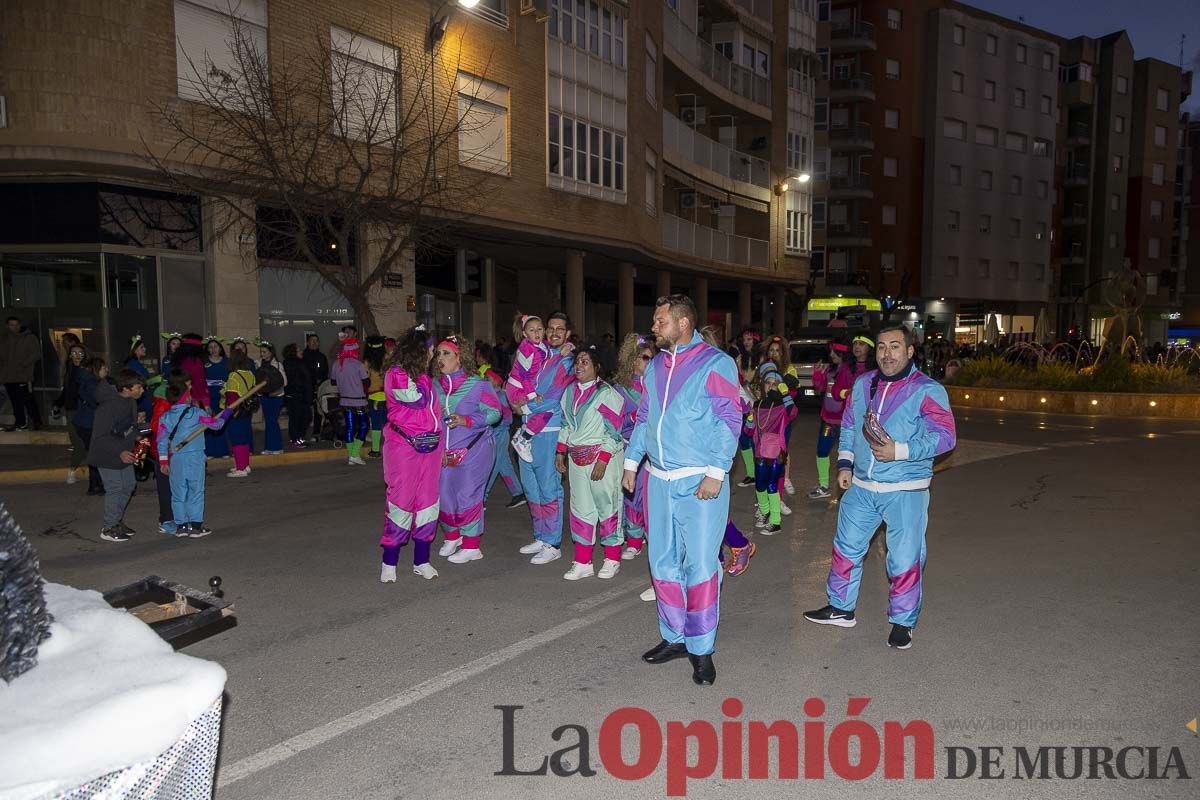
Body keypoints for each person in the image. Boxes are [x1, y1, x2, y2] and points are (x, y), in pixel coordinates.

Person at [803, 325, 957, 650]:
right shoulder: (862, 384)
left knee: (903, 558)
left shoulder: (928, 390)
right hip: (861, 485)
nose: (887, 354)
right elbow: (847, 424)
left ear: (910, 351)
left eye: (895, 347)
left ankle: (902, 622)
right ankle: (841, 608)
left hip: (906, 488)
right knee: (845, 549)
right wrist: (844, 464)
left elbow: (945, 436)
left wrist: (899, 450)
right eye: (882, 347)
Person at [623, 295, 741, 686]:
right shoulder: (656, 364)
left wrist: (716, 472)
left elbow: (729, 419)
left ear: (684, 323)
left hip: (699, 480)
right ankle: (675, 637)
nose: (654, 328)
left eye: (660, 322)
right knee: (662, 563)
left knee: (701, 567)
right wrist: (630, 462)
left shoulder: (716, 363)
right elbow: (644, 417)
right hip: (658, 480)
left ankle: (701, 648)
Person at [555, 345, 627, 581]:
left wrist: (603, 460)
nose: (579, 366)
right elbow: (566, 425)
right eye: (577, 362)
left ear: (597, 367)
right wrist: (560, 452)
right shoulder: (568, 393)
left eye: (585, 362)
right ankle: (583, 560)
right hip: (577, 459)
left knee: (608, 507)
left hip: (601, 458)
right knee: (581, 509)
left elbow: (614, 431)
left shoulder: (608, 394)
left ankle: (612, 558)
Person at [380, 326, 443, 582]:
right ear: (418, 351)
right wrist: (425, 378)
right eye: (430, 349)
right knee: (400, 502)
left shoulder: (424, 378)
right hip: (404, 448)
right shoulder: (397, 375)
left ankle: (422, 560)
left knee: (428, 504)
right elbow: (414, 400)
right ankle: (389, 562)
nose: (433, 354)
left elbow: (434, 413)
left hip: (431, 449)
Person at [432, 334, 501, 564]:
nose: (440, 358)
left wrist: (466, 420)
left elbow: (495, 413)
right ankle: (453, 536)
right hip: (444, 452)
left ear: (460, 358)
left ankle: (472, 545)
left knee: (468, 494)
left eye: (446, 353)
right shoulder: (434, 386)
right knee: (443, 494)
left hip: (476, 448)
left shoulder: (478, 385)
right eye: (438, 353)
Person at [515, 312, 577, 565]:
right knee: (531, 487)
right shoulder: (540, 354)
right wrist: (516, 402)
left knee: (549, 487)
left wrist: (525, 408)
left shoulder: (567, 361)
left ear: (568, 334)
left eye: (559, 329)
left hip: (549, 431)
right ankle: (541, 535)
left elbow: (553, 396)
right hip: (526, 431)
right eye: (549, 328)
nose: (553, 333)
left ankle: (552, 543)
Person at [157, 369, 232, 538]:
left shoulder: (165, 417)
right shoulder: (197, 414)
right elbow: (216, 424)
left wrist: (163, 462)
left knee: (178, 493)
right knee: (196, 491)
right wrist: (227, 412)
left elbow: (161, 441)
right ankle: (196, 526)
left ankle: (182, 526)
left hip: (176, 459)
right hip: (196, 458)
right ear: (186, 397)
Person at [809, 335, 874, 499]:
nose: (857, 347)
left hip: (854, 422)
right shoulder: (839, 369)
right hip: (829, 420)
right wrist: (818, 376)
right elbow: (830, 391)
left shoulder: (873, 370)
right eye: (855, 343)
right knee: (822, 451)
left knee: (855, 455)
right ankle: (824, 485)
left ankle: (855, 488)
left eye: (861, 344)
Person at [88, 368, 147, 542]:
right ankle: (108, 527)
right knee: (115, 488)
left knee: (128, 485)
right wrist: (120, 451)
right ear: (126, 389)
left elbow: (130, 426)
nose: (142, 391)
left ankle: (116, 520)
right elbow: (101, 436)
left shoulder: (130, 402)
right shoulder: (107, 407)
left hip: (124, 452)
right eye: (138, 387)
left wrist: (140, 436)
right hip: (107, 453)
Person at [612, 333, 654, 560]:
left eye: (651, 357)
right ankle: (635, 539)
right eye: (645, 357)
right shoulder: (620, 389)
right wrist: (633, 417)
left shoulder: (657, 385)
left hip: (656, 452)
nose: (649, 362)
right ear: (632, 360)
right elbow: (614, 424)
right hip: (632, 450)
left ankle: (651, 535)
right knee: (632, 495)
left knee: (651, 497)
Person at [748, 361, 797, 535]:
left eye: (775, 384)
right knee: (760, 486)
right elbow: (749, 431)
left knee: (771, 486)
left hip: (778, 453)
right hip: (761, 452)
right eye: (768, 383)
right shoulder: (757, 406)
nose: (771, 387)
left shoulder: (782, 407)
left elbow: (793, 412)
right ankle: (764, 511)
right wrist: (749, 421)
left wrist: (785, 394)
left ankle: (775, 521)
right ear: (763, 385)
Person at [505, 313, 551, 463]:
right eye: (532, 330)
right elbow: (524, 376)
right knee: (544, 410)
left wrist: (569, 345)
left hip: (525, 387)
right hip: (517, 389)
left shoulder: (541, 344)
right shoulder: (526, 349)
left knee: (542, 411)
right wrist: (532, 396)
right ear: (525, 333)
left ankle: (522, 434)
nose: (536, 332)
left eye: (539, 329)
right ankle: (523, 439)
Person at [763, 335, 800, 504]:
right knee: (766, 454)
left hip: (783, 417)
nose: (774, 353)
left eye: (778, 350)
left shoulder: (789, 370)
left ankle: (783, 482)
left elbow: (791, 394)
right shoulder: (764, 369)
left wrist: (780, 389)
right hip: (767, 418)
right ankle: (768, 495)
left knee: (781, 452)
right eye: (771, 350)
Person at [483, 368, 526, 509]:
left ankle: (483, 497)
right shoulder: (490, 394)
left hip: (500, 434)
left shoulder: (501, 396)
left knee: (492, 464)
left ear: (496, 381)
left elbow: (507, 417)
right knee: (503, 465)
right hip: (496, 433)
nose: (485, 380)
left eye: (487, 378)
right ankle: (518, 493)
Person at [330, 336, 370, 465]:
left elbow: (333, 382)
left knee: (350, 427)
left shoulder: (337, 364)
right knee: (364, 426)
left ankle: (352, 456)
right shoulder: (358, 364)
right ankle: (354, 454)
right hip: (358, 401)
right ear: (354, 351)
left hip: (344, 401)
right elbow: (366, 382)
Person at [54, 343, 89, 485]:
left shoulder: (86, 371)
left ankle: (75, 471)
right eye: (74, 353)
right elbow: (66, 392)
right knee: (77, 442)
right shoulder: (69, 371)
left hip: (85, 411)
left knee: (86, 443)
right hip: (71, 411)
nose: (77, 356)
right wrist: (57, 404)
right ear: (69, 355)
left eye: (80, 353)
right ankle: (73, 470)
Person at [1, 316, 43, 431]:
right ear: (7, 326)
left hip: (23, 375)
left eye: (16, 325)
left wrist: (24, 364)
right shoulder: (4, 338)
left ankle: (36, 421)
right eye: (11, 325)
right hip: (8, 376)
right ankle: (20, 422)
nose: (14, 327)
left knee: (27, 400)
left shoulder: (29, 337)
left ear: (20, 325)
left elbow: (36, 354)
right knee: (15, 401)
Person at [223, 349, 258, 477]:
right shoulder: (250, 374)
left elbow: (232, 398)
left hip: (236, 412)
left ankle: (240, 468)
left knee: (237, 440)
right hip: (247, 411)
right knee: (244, 439)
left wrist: (226, 414)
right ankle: (245, 465)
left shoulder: (233, 376)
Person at [256, 340, 286, 454]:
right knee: (268, 420)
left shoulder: (278, 365)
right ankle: (269, 447)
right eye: (261, 352)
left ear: (270, 352)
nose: (262, 354)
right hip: (264, 396)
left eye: (264, 352)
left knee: (272, 420)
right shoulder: (258, 364)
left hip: (277, 395)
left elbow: (284, 382)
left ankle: (277, 447)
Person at [203, 337, 230, 458]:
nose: (213, 349)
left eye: (215, 346)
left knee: (221, 422)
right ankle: (210, 452)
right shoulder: (204, 362)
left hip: (222, 396)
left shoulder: (226, 361)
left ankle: (223, 451)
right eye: (210, 347)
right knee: (209, 422)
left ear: (220, 348)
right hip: (208, 397)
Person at [282, 343, 312, 449]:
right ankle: (297, 439)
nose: (301, 351)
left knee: (294, 418)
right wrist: (309, 396)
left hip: (291, 395)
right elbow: (307, 381)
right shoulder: (300, 363)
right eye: (299, 349)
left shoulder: (285, 363)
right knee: (303, 417)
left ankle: (296, 438)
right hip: (300, 395)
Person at [363, 336, 388, 458]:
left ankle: (375, 450)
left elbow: (364, 378)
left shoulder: (367, 362)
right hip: (388, 397)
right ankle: (390, 449)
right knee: (389, 424)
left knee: (376, 425)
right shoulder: (387, 359)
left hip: (374, 397)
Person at [302, 333, 329, 438]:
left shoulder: (321, 357)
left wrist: (321, 383)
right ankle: (302, 433)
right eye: (312, 341)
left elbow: (325, 372)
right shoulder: (303, 356)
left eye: (316, 341)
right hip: (306, 388)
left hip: (319, 388)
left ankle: (316, 432)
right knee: (305, 412)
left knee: (318, 411)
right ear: (308, 342)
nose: (315, 343)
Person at [124, 335, 154, 419]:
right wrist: (154, 380)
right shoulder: (133, 363)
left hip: (142, 395)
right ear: (135, 350)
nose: (145, 349)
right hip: (139, 397)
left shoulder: (136, 362)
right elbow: (138, 381)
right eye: (142, 347)